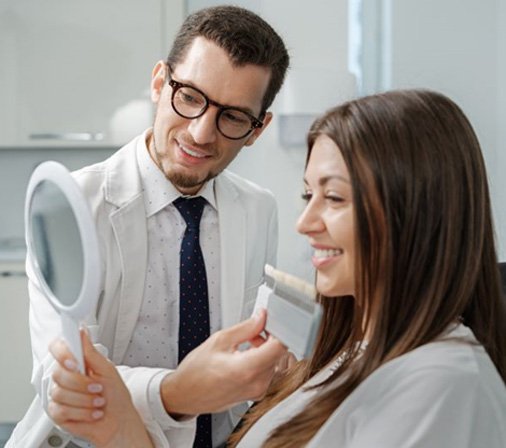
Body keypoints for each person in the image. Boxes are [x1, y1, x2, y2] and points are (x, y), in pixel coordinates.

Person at [43, 89, 506, 447]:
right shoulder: (346, 355)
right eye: (309, 195)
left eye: (335, 197)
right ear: (160, 85)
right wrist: (123, 425)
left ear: (419, 212)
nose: (305, 223)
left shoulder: (443, 384)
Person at [7, 5, 289, 448]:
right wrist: (177, 393)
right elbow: (67, 383)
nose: (200, 133)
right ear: (160, 82)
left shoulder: (259, 209)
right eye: (191, 97)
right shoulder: (73, 204)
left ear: (257, 128)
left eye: (233, 117)